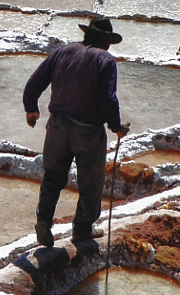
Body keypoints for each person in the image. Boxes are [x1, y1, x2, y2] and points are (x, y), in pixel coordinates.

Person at [22, 15, 129, 251]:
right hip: (88, 131)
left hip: (57, 126)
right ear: (105, 40)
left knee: (52, 177)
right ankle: (81, 229)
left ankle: (43, 222)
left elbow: (34, 83)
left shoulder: (63, 52)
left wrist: (31, 109)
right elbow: (109, 98)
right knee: (90, 182)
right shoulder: (105, 60)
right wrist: (115, 125)